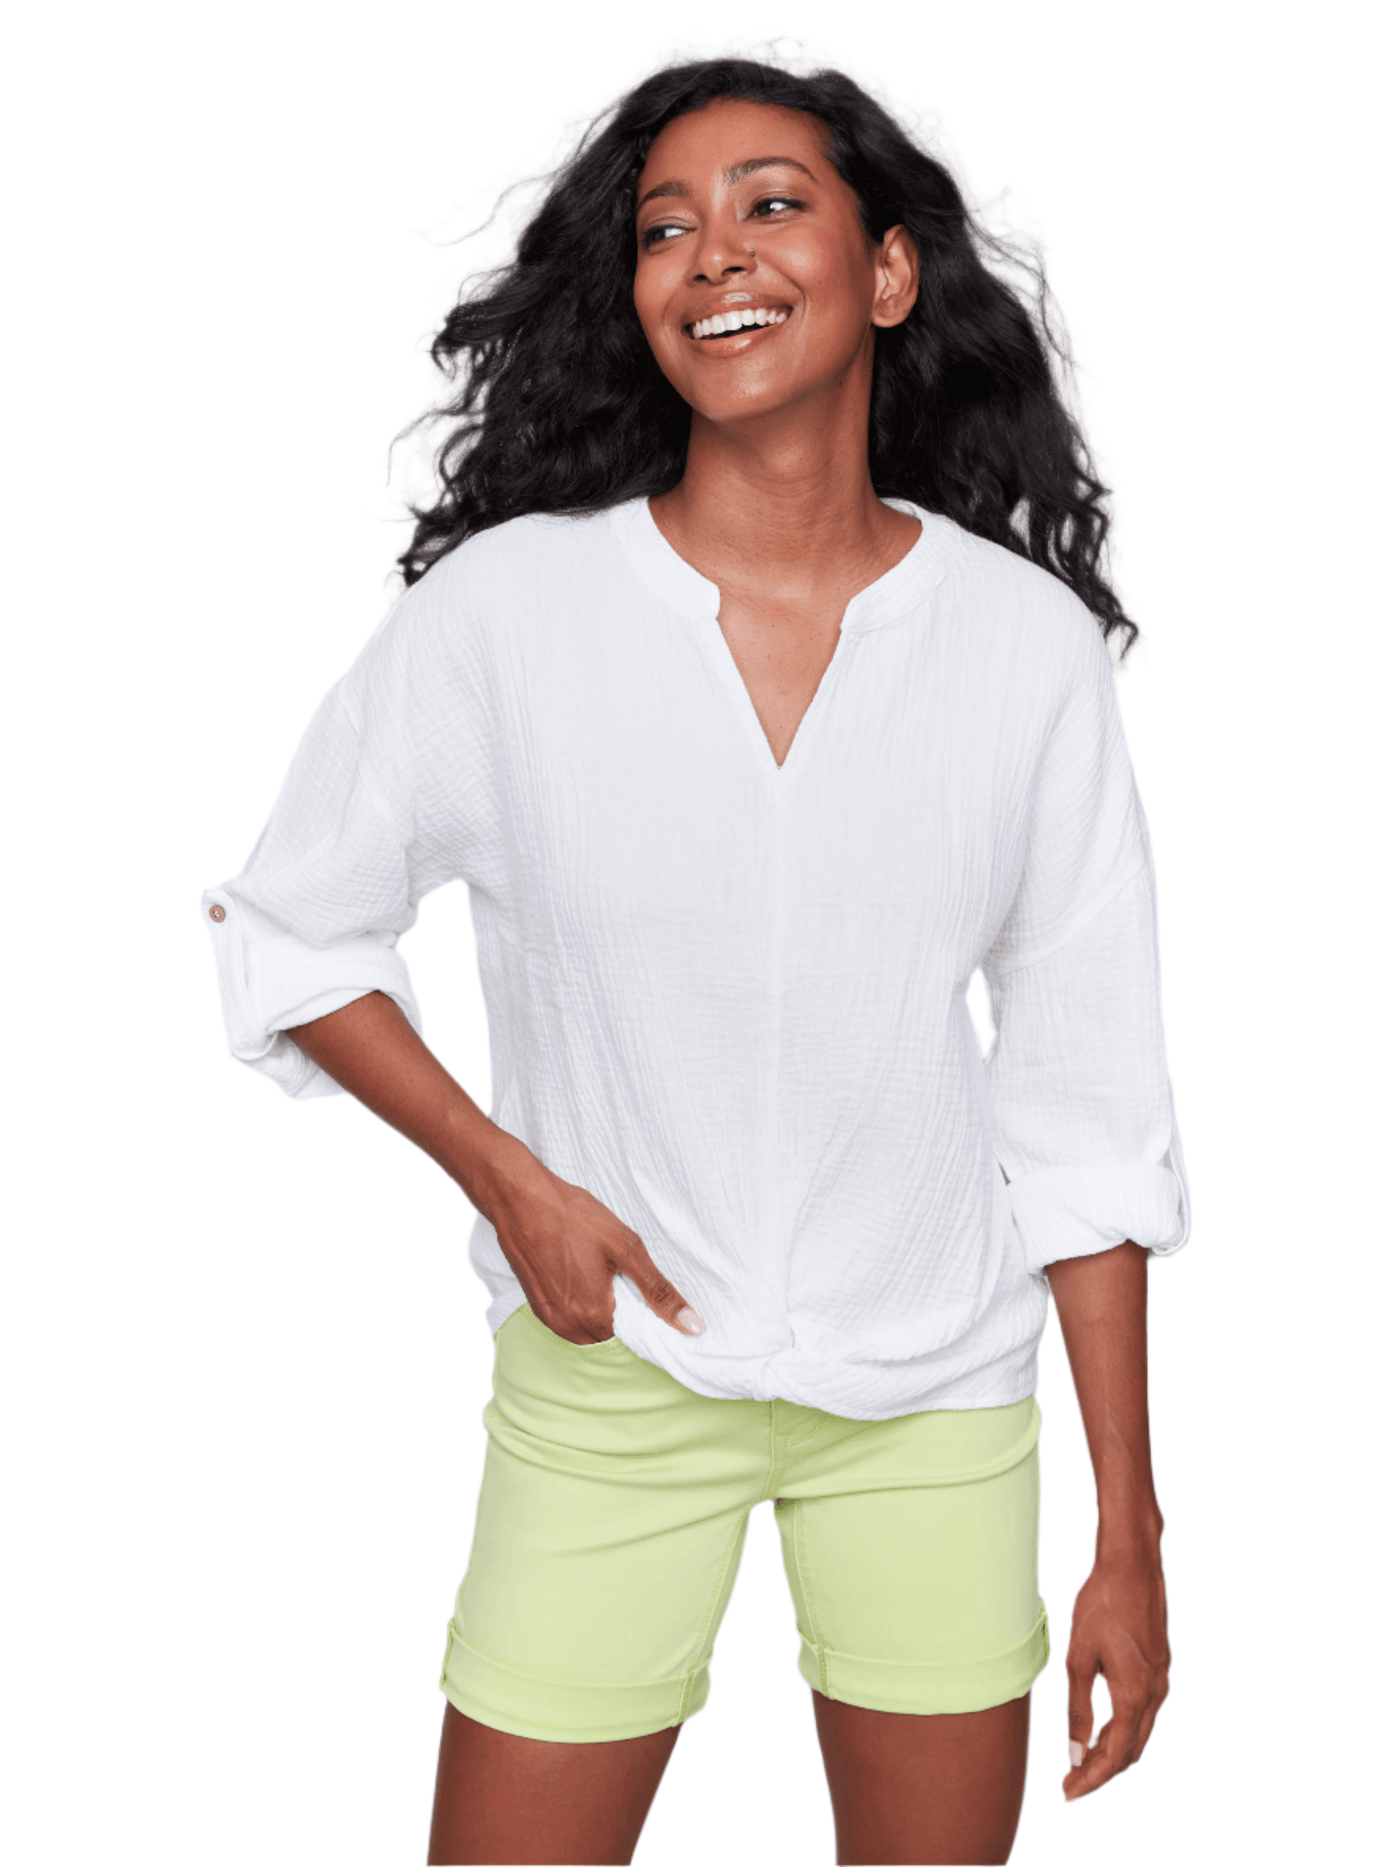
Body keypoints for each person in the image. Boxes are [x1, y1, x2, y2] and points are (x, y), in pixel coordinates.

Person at [202, 55, 1191, 1867]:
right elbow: (294, 925)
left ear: (887, 272)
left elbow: (1087, 1108)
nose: (713, 253)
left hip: (931, 1404)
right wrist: (511, 1182)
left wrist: (1128, 1526)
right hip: (612, 1381)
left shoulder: (1023, 653)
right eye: (666, 228)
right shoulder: (510, 615)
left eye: (771, 205)